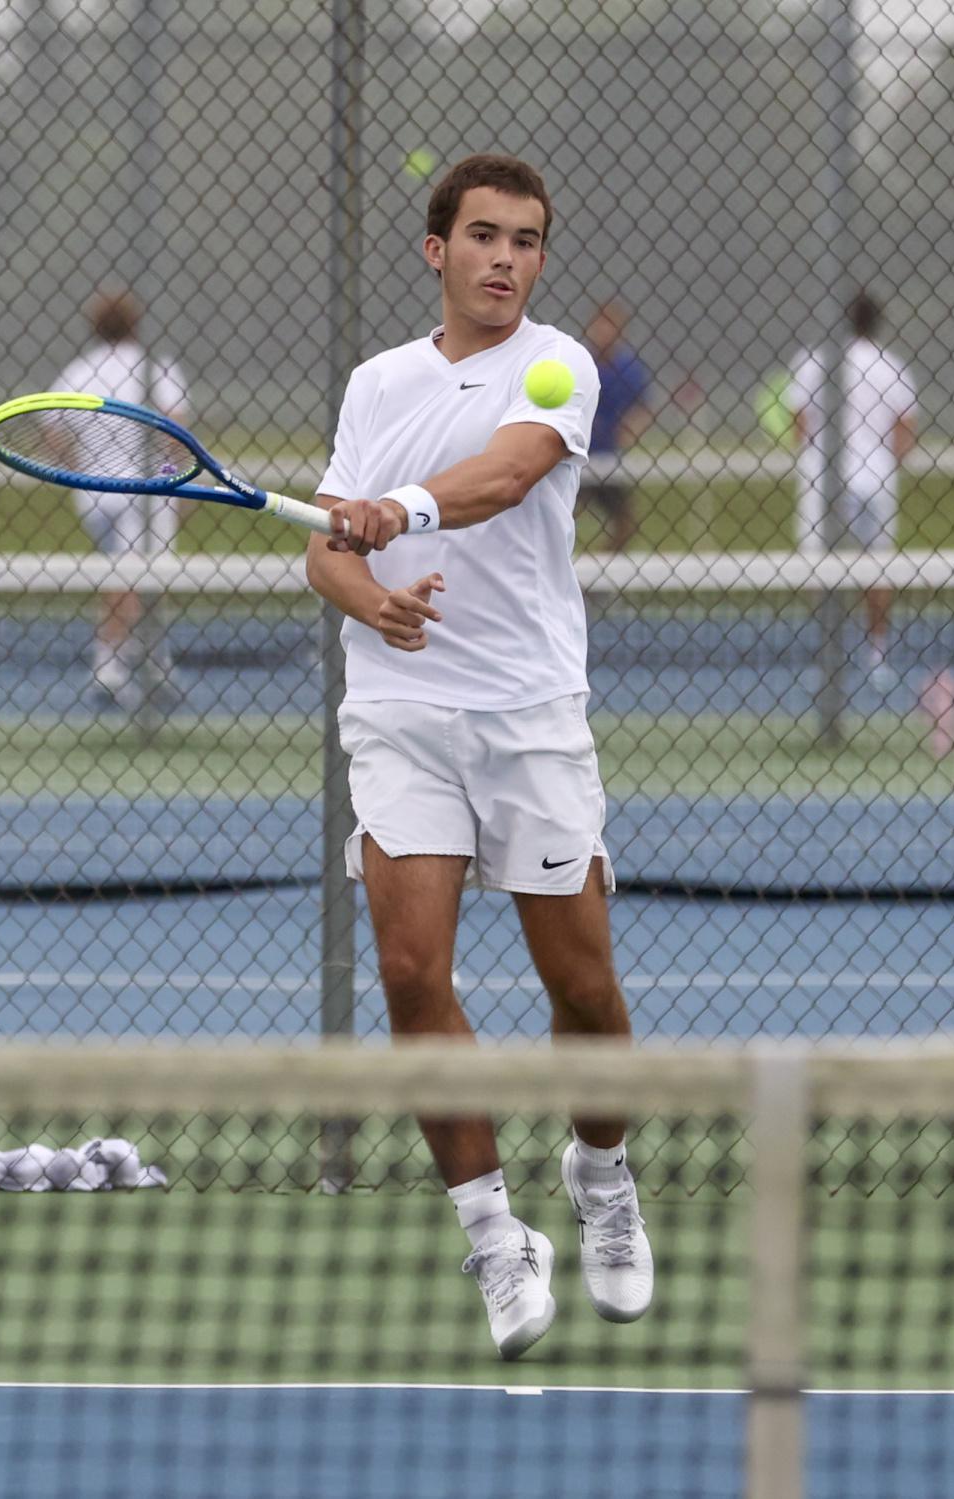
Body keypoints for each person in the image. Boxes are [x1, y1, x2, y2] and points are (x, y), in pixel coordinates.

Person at [306, 154, 653, 1361]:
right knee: (410, 972)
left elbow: (506, 477)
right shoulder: (376, 383)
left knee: (585, 990)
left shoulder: (560, 364)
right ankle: (496, 1235)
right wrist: (372, 599)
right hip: (402, 712)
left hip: (530, 715)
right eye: (486, 237)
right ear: (436, 251)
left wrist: (398, 513)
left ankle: (602, 1174)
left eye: (528, 240)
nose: (508, 257)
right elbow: (324, 551)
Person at [55, 289, 189, 708]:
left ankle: (150, 658)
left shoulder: (78, 373)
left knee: (128, 575)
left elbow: (53, 432)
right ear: (136, 323)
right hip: (144, 494)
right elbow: (176, 434)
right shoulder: (154, 368)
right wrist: (174, 482)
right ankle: (111, 666)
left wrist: (78, 471)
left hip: (95, 497)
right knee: (134, 578)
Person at [789, 293, 918, 685]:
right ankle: (877, 656)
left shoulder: (813, 362)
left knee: (819, 567)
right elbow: (904, 433)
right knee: (877, 567)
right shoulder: (892, 367)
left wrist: (815, 456)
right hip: (874, 478)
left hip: (823, 477)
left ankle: (829, 654)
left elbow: (799, 423)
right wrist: (881, 460)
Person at [580, 300, 651, 552]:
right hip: (574, 457)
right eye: (599, 325)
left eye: (611, 326)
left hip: (607, 458)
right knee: (559, 516)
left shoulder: (629, 370)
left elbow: (642, 409)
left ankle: (597, 578)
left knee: (625, 522)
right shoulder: (579, 362)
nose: (604, 332)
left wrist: (632, 428)